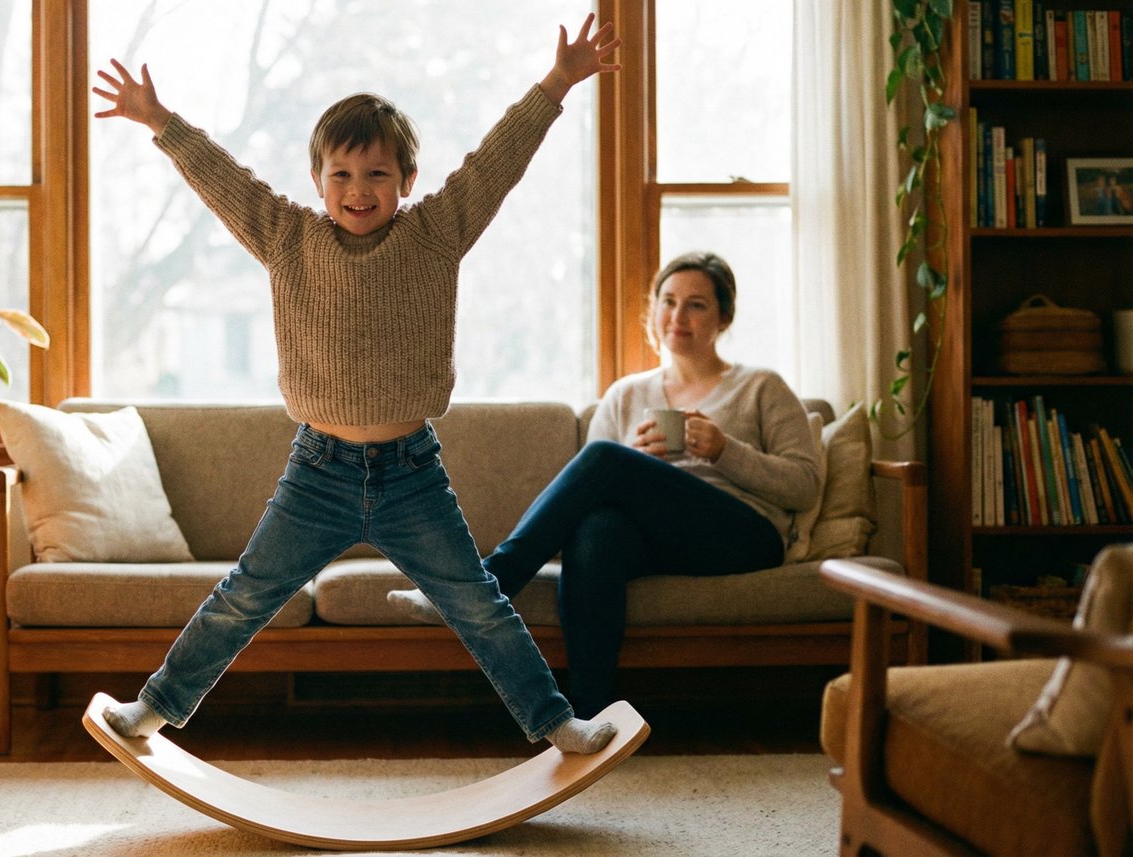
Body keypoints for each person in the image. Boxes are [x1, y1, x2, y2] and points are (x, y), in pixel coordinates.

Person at [90, 14, 623, 753]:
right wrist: (159, 121)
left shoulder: (436, 231)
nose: (358, 189)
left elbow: (496, 160)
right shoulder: (287, 236)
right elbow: (224, 180)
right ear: (318, 181)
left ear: (407, 181)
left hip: (411, 473)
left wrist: (558, 82)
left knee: (478, 604)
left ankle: (554, 721)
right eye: (341, 174)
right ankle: (155, 706)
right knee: (243, 596)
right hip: (318, 471)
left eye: (377, 174)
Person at [390, 251, 821, 718]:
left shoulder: (760, 386)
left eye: (696, 304)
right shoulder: (627, 395)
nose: (678, 315)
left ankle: (482, 587)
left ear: (724, 317)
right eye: (668, 301)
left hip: (743, 535)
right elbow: (592, 497)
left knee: (603, 459)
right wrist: (636, 463)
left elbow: (804, 485)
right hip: (659, 540)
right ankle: (590, 720)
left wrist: (723, 450)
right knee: (597, 533)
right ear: (653, 312)